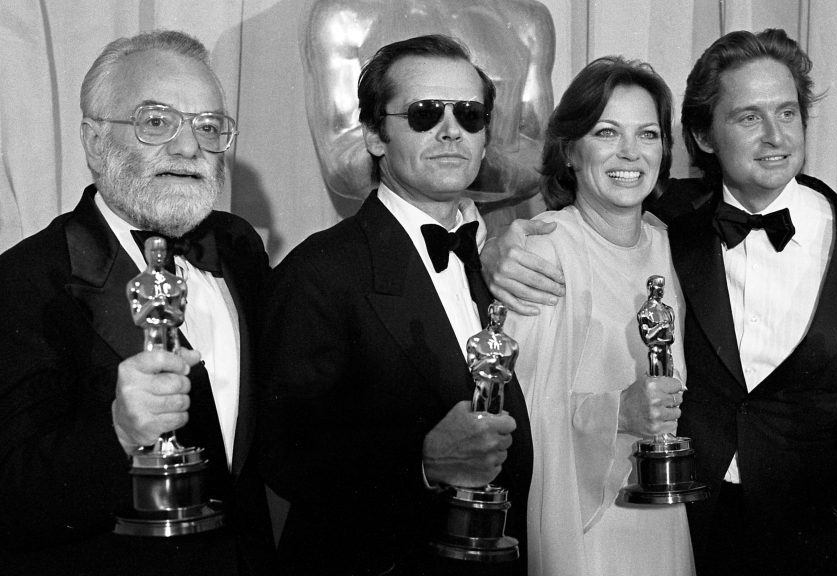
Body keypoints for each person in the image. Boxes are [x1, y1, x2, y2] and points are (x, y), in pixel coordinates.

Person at [483, 28, 837, 576]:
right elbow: (585, 215)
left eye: (787, 113)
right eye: (748, 117)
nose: (774, 136)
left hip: (823, 531)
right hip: (687, 524)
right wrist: (494, 245)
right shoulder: (666, 219)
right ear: (703, 135)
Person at [0, 31, 275, 575]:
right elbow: (10, 496)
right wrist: (118, 434)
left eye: (208, 126)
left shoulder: (239, 246)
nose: (189, 147)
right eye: (157, 121)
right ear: (95, 140)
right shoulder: (25, 282)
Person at [258, 34, 532, 575]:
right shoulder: (321, 270)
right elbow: (282, 451)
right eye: (425, 114)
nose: (451, 130)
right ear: (375, 136)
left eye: (470, 115)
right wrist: (424, 463)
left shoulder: (500, 257)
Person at [499, 56, 694, 576]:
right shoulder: (546, 249)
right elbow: (521, 416)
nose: (630, 152)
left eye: (648, 134)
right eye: (607, 132)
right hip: (583, 531)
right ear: (570, 151)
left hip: (664, 520)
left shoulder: (668, 244)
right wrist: (620, 414)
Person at [301, 0, 555, 230]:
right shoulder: (343, 13)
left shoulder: (527, 18)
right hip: (386, 240)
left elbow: (537, 157)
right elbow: (342, 164)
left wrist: (446, 154)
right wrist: (458, 157)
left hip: (497, 240)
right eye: (422, 112)